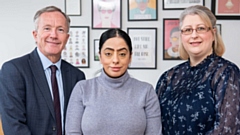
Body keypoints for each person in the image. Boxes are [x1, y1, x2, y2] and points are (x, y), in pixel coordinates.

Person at [0, 6, 86, 135]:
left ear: (67, 38)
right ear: (35, 35)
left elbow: (79, 122)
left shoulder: (77, 76)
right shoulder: (13, 70)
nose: (54, 35)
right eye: (47, 28)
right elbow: (13, 125)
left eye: (60, 30)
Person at [156, 5, 240, 135]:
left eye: (200, 28)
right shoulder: (168, 77)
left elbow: (228, 129)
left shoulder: (226, 72)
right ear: (182, 36)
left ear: (213, 33)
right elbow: (154, 124)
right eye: (188, 30)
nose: (194, 35)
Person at [65, 28, 162, 135]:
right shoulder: (82, 89)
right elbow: (72, 132)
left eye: (122, 54)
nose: (115, 60)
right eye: (108, 54)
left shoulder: (146, 91)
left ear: (130, 57)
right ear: (100, 56)